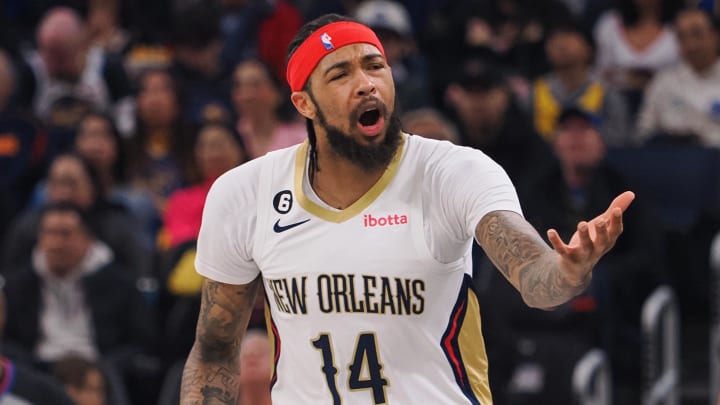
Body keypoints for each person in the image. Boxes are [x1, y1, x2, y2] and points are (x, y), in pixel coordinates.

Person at [180, 14, 634, 404]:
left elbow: (535, 279)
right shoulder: (244, 193)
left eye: (375, 66)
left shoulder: (452, 171)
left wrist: (568, 270)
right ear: (304, 103)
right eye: (340, 75)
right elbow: (215, 349)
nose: (365, 84)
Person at [531, 21, 629, 146]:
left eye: (569, 37)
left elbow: (621, 139)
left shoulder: (607, 92)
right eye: (554, 39)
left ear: (589, 48)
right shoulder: (534, 92)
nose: (561, 45)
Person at [636, 7, 720, 148]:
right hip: (673, 161)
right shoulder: (663, 81)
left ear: (716, 35)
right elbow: (644, 132)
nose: (691, 45)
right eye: (682, 37)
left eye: (697, 34)